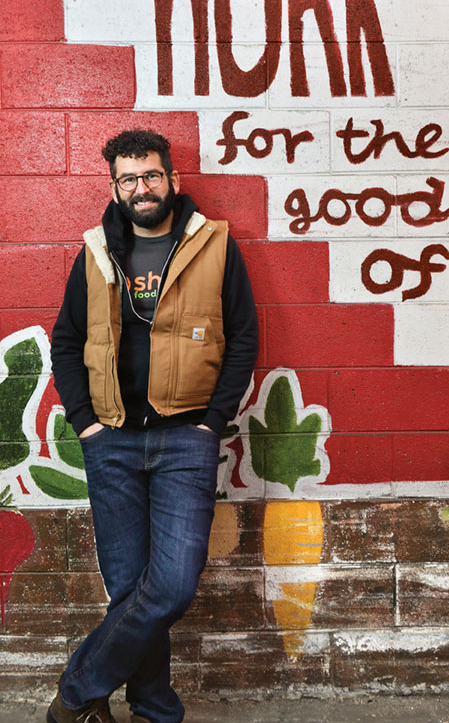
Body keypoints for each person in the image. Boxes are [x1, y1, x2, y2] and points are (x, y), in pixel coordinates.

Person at [49, 130, 258, 723]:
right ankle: (155, 709)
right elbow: (66, 341)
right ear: (114, 187)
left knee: (170, 584)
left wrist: (211, 422)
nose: (141, 188)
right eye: (128, 179)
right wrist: (84, 422)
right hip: (110, 438)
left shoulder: (213, 244)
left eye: (151, 176)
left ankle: (76, 693)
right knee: (129, 588)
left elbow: (242, 337)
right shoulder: (95, 252)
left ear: (170, 179)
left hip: (185, 438)